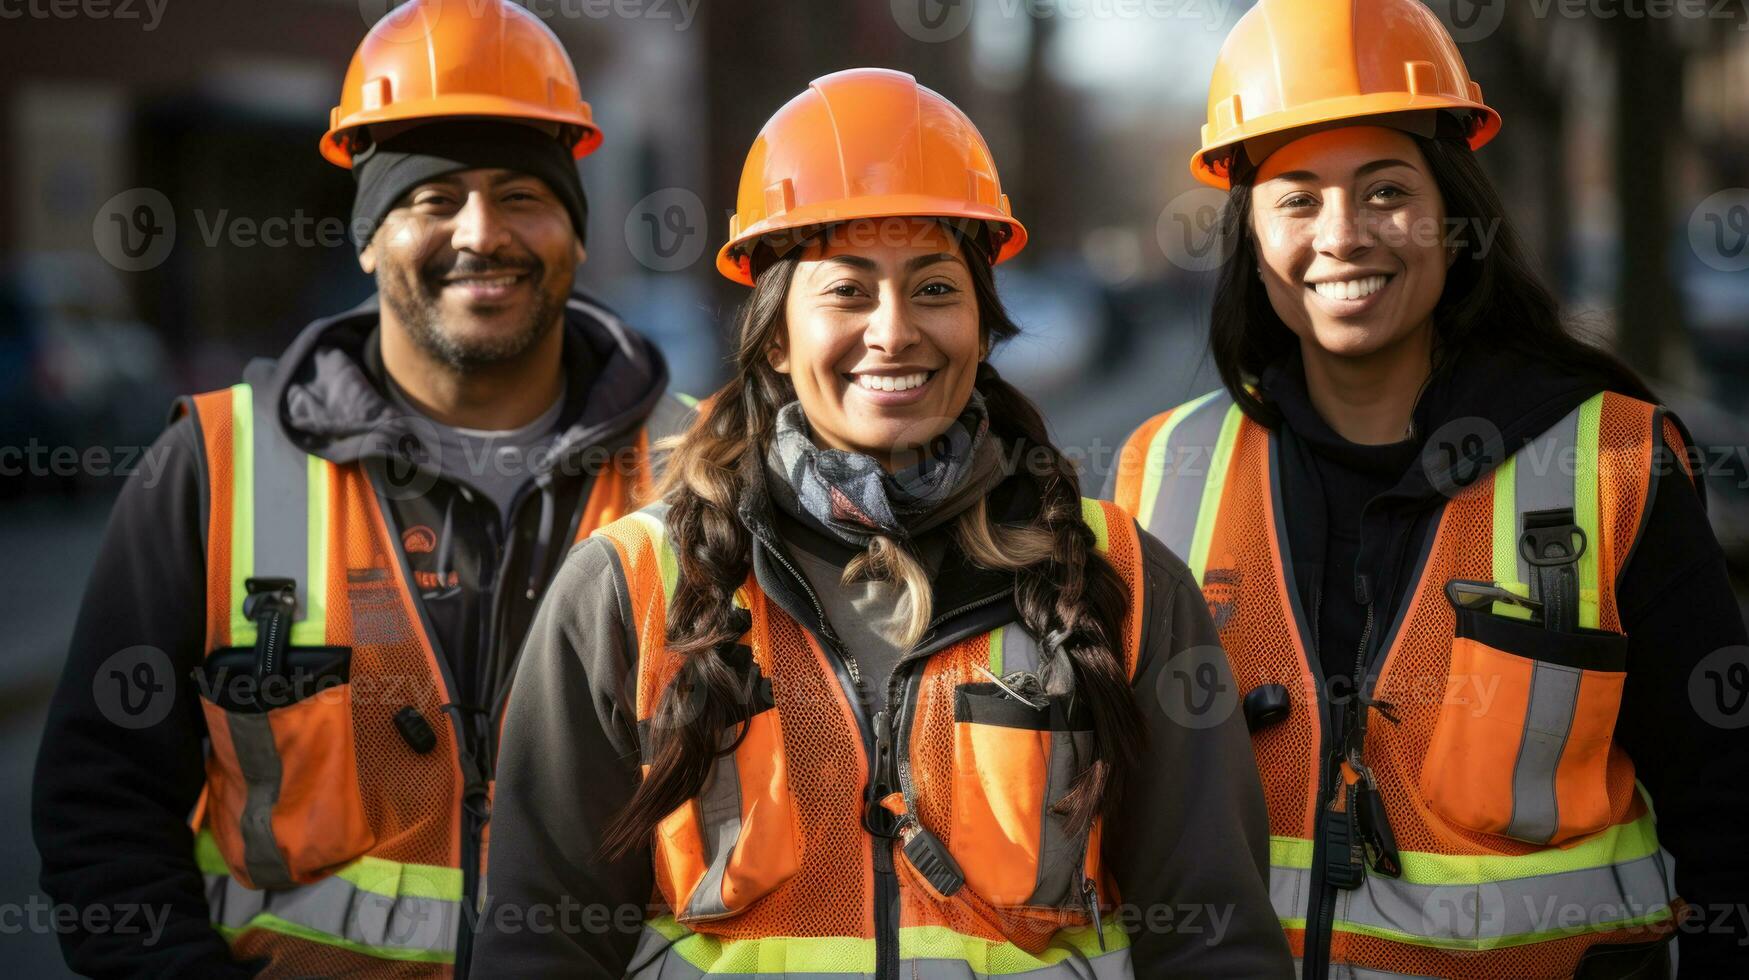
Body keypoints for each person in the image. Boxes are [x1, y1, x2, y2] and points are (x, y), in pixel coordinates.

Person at [473, 67, 1292, 978]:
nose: (894, 330)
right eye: (848, 292)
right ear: (775, 335)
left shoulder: (1122, 582)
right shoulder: (623, 591)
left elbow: (1213, 938)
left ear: (983, 325)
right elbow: (539, 945)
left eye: (935, 288)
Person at [31, 0, 694, 975]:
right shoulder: (212, 467)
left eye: (522, 193)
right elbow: (102, 808)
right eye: (434, 198)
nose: (483, 232)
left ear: (575, 232)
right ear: (369, 236)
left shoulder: (704, 468)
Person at [1109, 1, 1749, 977]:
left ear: (1454, 210)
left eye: (1384, 189)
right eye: (1296, 197)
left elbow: (1728, 813)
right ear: (1249, 231)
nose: (1343, 235)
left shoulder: (1613, 459)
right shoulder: (1158, 472)